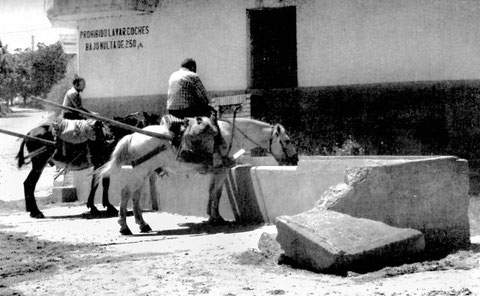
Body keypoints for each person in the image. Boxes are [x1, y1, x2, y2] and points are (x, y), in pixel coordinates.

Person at [167, 58, 234, 168]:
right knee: (211, 112)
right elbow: (203, 97)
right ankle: (219, 144)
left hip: (172, 110)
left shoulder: (173, 75)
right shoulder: (193, 76)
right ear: (193, 67)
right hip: (186, 110)